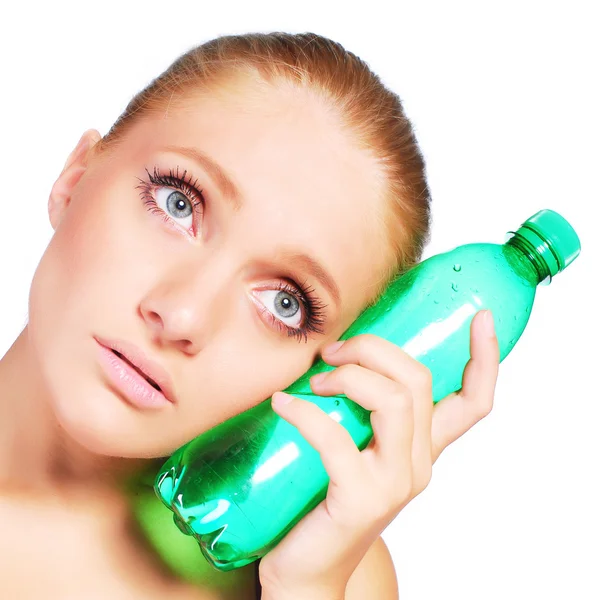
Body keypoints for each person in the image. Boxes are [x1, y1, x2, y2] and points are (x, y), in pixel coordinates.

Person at [0, 32, 500, 599]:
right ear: (74, 179)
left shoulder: (329, 575)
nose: (184, 315)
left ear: (328, 367)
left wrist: (307, 587)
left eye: (284, 304)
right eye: (179, 203)